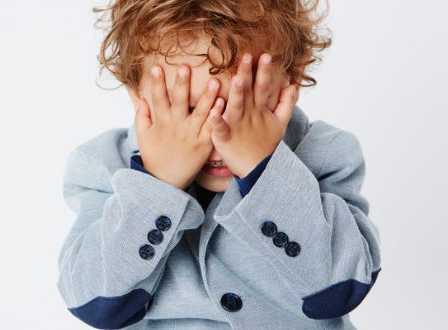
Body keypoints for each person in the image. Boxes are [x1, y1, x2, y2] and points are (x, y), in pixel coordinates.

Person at [57, 0, 381, 329]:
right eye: (188, 107)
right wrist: (157, 184)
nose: (219, 130)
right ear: (138, 94)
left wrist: (263, 170)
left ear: (291, 78)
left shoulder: (328, 155)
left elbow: (341, 289)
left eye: (246, 103)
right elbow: (94, 304)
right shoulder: (103, 166)